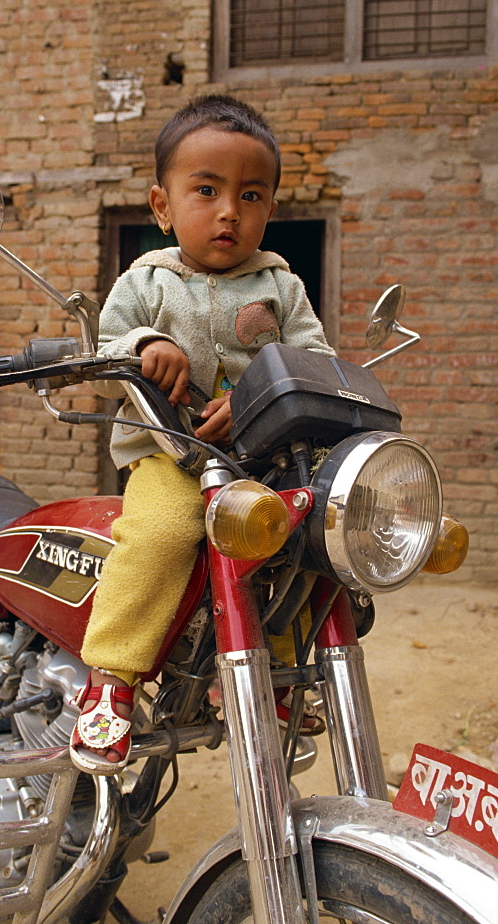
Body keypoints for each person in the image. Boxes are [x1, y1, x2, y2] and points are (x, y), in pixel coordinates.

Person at [69, 94, 335, 774]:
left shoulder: (281, 286)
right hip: (171, 457)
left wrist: (259, 395)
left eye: (249, 195)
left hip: (259, 461)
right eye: (206, 191)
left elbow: (315, 365)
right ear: (162, 206)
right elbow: (105, 353)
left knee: (310, 536)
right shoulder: (146, 280)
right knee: (162, 533)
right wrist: (146, 343)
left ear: (269, 209)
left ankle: (277, 679)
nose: (228, 212)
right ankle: (111, 680)